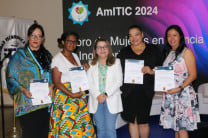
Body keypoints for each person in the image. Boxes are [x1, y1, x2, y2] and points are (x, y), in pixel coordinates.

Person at [6, 23, 53, 138]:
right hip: (27, 102)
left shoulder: (47, 55)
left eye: (39, 36)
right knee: (30, 134)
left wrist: (51, 86)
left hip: (44, 104)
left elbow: (53, 74)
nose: (36, 38)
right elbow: (10, 76)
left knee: (43, 133)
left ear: (43, 38)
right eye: (33, 35)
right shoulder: (20, 55)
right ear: (28, 37)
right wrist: (22, 89)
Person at [117, 25, 162, 138]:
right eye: (130, 36)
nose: (134, 38)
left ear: (142, 35)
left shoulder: (153, 50)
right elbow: (115, 69)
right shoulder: (124, 51)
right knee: (132, 121)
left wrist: (151, 71)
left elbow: (162, 69)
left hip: (145, 92)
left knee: (143, 121)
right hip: (128, 92)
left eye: (136, 34)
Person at [48, 32, 96, 137]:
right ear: (63, 42)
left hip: (78, 97)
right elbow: (57, 82)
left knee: (80, 127)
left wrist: (83, 68)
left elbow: (75, 75)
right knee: (68, 129)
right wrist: (71, 94)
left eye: (75, 42)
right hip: (66, 98)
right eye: (69, 41)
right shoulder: (57, 59)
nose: (72, 44)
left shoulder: (75, 56)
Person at [160, 25, 200, 138]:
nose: (171, 38)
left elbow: (193, 75)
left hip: (183, 95)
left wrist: (179, 88)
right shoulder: (169, 53)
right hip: (170, 96)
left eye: (174, 35)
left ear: (180, 37)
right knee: (175, 129)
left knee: (182, 129)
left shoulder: (186, 52)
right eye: (168, 36)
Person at [87, 38, 123, 138]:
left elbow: (119, 81)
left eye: (104, 46)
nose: (102, 49)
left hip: (111, 99)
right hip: (96, 100)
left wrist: (106, 94)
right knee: (100, 129)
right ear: (95, 50)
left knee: (110, 129)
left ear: (108, 48)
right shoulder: (91, 63)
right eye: (99, 47)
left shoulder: (116, 62)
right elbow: (89, 83)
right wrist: (98, 95)